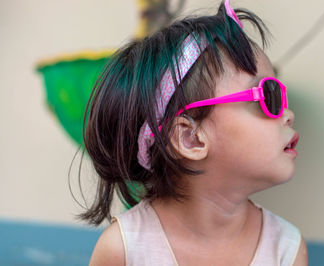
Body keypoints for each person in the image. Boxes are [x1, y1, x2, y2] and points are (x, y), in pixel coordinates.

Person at [81, 0, 308, 265]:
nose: (288, 113)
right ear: (190, 138)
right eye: (268, 95)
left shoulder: (286, 248)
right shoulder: (124, 249)